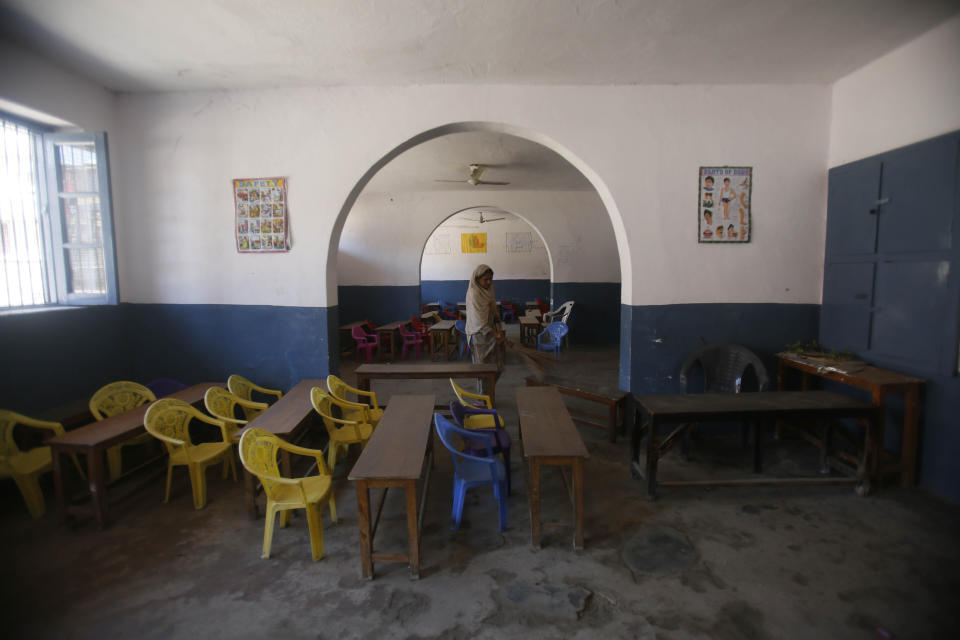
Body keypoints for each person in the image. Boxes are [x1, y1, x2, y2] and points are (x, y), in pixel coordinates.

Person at [465, 264, 505, 388]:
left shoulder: (489, 289)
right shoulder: (474, 294)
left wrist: (498, 320)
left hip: (490, 331)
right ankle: (482, 399)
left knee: (498, 367)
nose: (488, 282)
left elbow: (492, 305)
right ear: (477, 280)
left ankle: (488, 393)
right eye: (485, 279)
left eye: (490, 279)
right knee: (482, 369)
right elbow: (479, 322)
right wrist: (496, 334)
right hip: (478, 334)